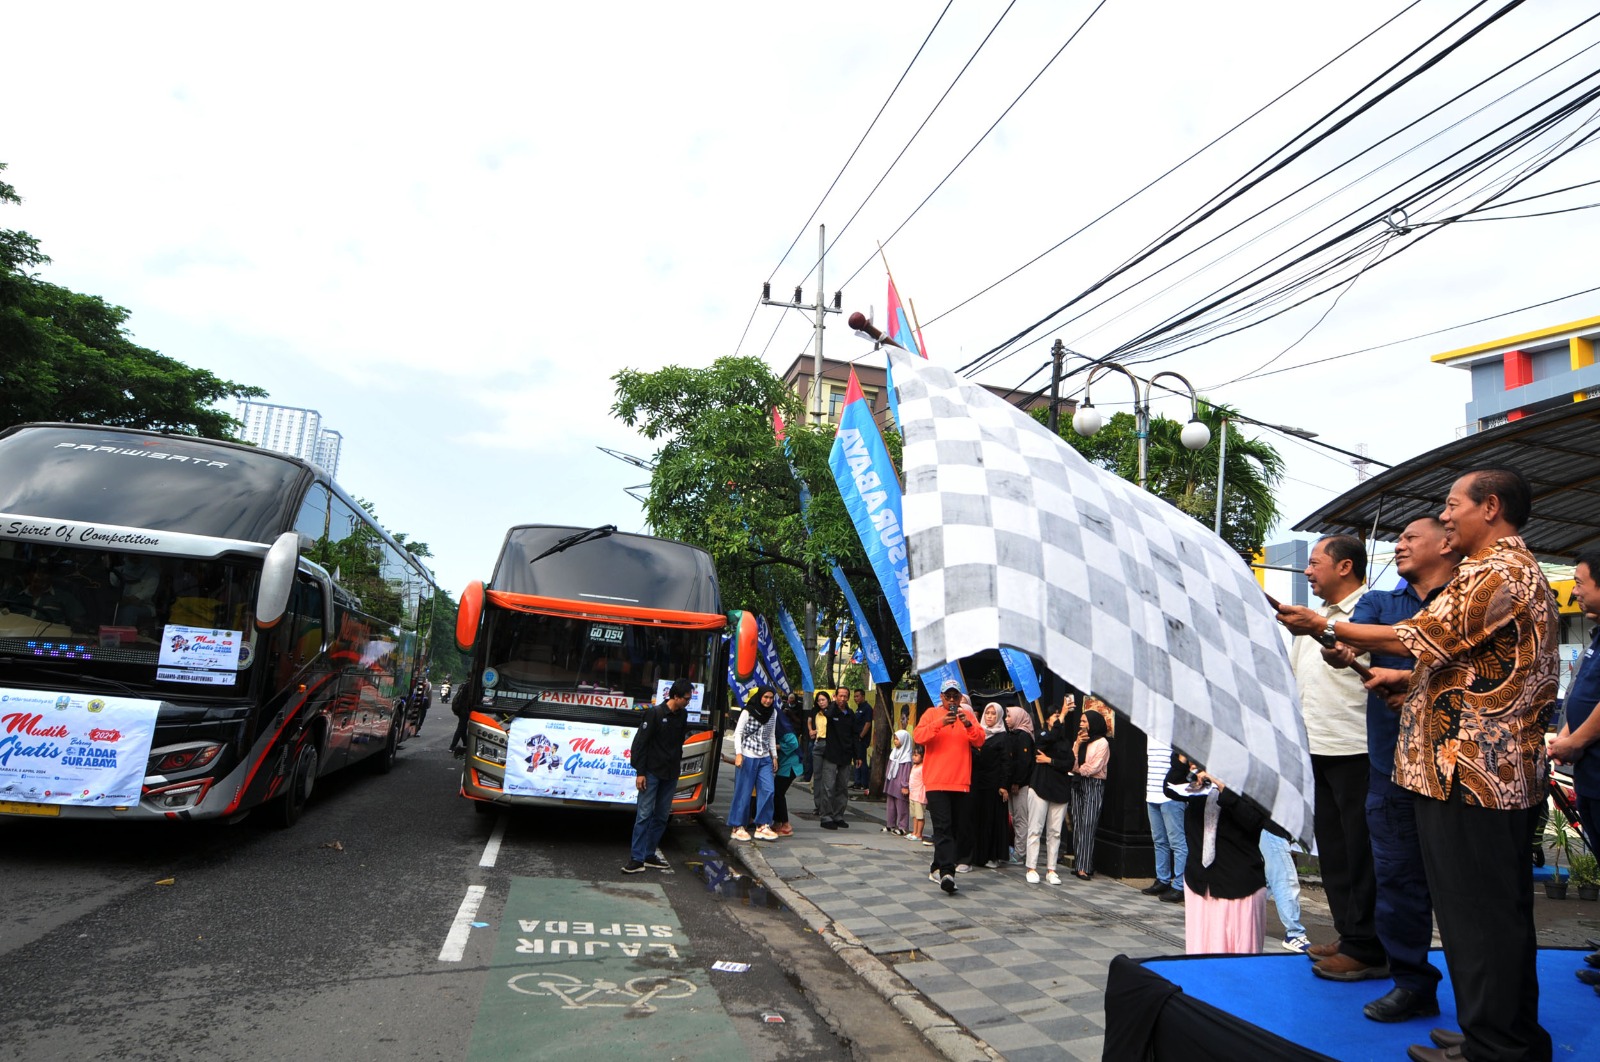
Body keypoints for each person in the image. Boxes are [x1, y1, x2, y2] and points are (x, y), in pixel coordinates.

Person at [1279, 468, 1556, 1062]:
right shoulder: (1502, 570)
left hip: (1473, 775)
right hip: (1475, 772)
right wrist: (1410, 685)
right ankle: (1497, 1031)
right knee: (1485, 913)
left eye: (1452, 505)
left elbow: (1420, 635)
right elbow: (1473, 668)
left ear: (1490, 507)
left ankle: (1498, 1045)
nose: (1445, 516)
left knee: (1480, 916)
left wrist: (1323, 624)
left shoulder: (1496, 570)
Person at [1327, 516, 1459, 1023]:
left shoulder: (1466, 600)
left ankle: (1481, 1004)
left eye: (1410, 538)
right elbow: (1355, 644)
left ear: (1446, 543)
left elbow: (1430, 647)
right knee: (1397, 879)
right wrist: (1340, 648)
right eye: (1397, 538)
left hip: (1457, 768)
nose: (1398, 545)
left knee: (1461, 888)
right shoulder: (1380, 602)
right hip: (1391, 765)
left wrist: (1411, 683)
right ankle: (1410, 983)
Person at [1290, 535, 1388, 982]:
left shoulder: (1372, 613)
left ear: (1345, 566)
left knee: (1361, 852)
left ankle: (1369, 945)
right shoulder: (1313, 619)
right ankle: (1350, 935)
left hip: (1357, 750)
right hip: (1317, 749)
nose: (1307, 571)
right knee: (1332, 851)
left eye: (1315, 563)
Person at [1167, 758, 1274, 955]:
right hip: (1200, 881)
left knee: (1238, 960)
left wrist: (1222, 785)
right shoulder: (1201, 774)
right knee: (1200, 955)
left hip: (1238, 885)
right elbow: (1171, 789)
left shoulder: (1254, 776)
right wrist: (1182, 759)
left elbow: (1253, 821)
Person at [1550, 548, 1600, 858]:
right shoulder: (1596, 638)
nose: (1575, 592)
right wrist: (1566, 737)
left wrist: (1575, 742)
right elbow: (1583, 693)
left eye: (1580, 583)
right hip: (1589, 779)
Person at [913, 680, 985, 894]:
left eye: (956, 696)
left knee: (953, 829)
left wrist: (968, 723)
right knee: (943, 827)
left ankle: (936, 867)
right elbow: (919, 736)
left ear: (961, 698)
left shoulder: (968, 715)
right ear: (941, 697)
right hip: (936, 781)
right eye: (948, 696)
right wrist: (940, 722)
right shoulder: (931, 714)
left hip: (961, 782)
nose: (952, 700)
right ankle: (947, 872)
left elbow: (980, 741)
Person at [623, 679, 694, 873]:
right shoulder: (654, 713)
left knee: (662, 816)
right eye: (686, 698)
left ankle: (649, 854)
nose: (688, 702)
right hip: (652, 772)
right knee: (644, 815)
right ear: (675, 696)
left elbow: (679, 742)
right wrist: (640, 773)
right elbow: (640, 744)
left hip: (671, 773)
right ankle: (636, 858)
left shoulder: (683, 715)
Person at [1025, 695, 1077, 885]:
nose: (1059, 719)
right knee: (1035, 829)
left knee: (1055, 832)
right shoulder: (1041, 735)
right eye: (1055, 716)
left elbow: (1069, 763)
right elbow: (1049, 738)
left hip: (1060, 789)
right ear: (1047, 720)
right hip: (1040, 787)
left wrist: (1050, 760)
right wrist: (1061, 715)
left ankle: (1051, 869)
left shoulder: (1065, 742)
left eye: (1060, 716)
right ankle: (1031, 867)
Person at [727, 686, 780, 842]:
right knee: (743, 792)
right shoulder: (748, 711)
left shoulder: (773, 713)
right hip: (747, 755)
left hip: (765, 757)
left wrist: (774, 756)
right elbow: (738, 733)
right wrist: (738, 753)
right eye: (765, 697)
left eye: (771, 698)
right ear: (760, 696)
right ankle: (737, 826)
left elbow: (771, 735)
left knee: (768, 790)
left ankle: (762, 825)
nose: (768, 701)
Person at [1143, 739, 1187, 904]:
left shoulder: (1175, 733)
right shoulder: (1150, 735)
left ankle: (1180, 885)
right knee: (1159, 841)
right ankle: (1162, 879)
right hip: (1152, 793)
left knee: (1177, 842)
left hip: (1171, 796)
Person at [1068, 710, 1111, 880]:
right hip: (1078, 783)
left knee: (1088, 824)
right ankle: (1080, 863)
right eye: (1080, 721)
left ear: (1093, 723)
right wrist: (1077, 744)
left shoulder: (1102, 743)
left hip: (1093, 783)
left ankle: (1084, 867)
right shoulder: (1080, 740)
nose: (1081, 724)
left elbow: (1094, 767)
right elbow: (1071, 762)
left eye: (1084, 721)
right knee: (1078, 824)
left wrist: (1078, 769)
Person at [970, 703, 1012, 867]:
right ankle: (978, 856)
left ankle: (993, 856)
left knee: (992, 821)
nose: (989, 716)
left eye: (994, 714)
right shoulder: (978, 733)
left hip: (994, 786)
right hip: (977, 783)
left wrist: (1003, 785)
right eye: (987, 713)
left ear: (999, 716)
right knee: (978, 819)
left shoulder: (1003, 737)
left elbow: (1006, 763)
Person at [817, 688, 856, 830]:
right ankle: (826, 817)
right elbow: (828, 714)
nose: (843, 699)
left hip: (846, 755)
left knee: (842, 787)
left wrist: (857, 755)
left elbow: (854, 735)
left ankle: (838, 815)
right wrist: (833, 703)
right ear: (836, 696)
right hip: (831, 754)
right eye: (840, 696)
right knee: (828, 786)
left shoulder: (850, 714)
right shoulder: (831, 711)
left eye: (845, 696)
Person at [1004, 704, 1038, 864]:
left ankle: (1020, 852)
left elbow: (1024, 762)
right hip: (1013, 784)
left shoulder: (1023, 736)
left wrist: (1017, 781)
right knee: (1014, 816)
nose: (1006, 719)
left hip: (1021, 785)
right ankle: (1015, 849)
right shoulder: (1013, 734)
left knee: (1020, 818)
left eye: (1009, 716)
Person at [773, 701, 805, 836]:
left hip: (790, 765)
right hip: (786, 765)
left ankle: (785, 824)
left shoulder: (784, 730)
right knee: (777, 793)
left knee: (778, 793)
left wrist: (776, 747)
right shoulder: (781, 727)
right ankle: (778, 823)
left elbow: (793, 744)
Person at [883, 727, 913, 835]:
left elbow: (906, 773)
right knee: (891, 805)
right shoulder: (894, 753)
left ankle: (902, 826)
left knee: (901, 806)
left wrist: (905, 785)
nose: (895, 741)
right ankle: (890, 824)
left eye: (897, 739)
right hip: (892, 782)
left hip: (900, 785)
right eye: (894, 739)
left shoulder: (907, 757)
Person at [809, 690, 831, 815]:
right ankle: (818, 805)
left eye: (823, 700)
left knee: (828, 777)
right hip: (818, 744)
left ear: (828, 700)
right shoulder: (816, 713)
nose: (821, 702)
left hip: (830, 745)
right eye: (819, 700)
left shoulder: (832, 712)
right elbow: (811, 724)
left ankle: (827, 806)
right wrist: (812, 732)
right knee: (817, 776)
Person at [851, 687, 873, 790]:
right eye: (854, 696)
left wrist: (861, 736)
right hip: (855, 738)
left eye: (857, 696)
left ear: (863, 696)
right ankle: (857, 782)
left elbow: (868, 723)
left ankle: (864, 784)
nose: (855, 698)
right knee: (856, 760)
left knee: (862, 760)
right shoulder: (858, 708)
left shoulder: (867, 708)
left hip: (862, 739)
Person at [908, 745, 928, 843]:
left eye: (916, 755)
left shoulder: (923, 768)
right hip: (913, 795)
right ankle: (914, 832)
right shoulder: (914, 766)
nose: (913, 757)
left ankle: (919, 834)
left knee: (920, 816)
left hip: (920, 796)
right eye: (913, 755)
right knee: (914, 815)